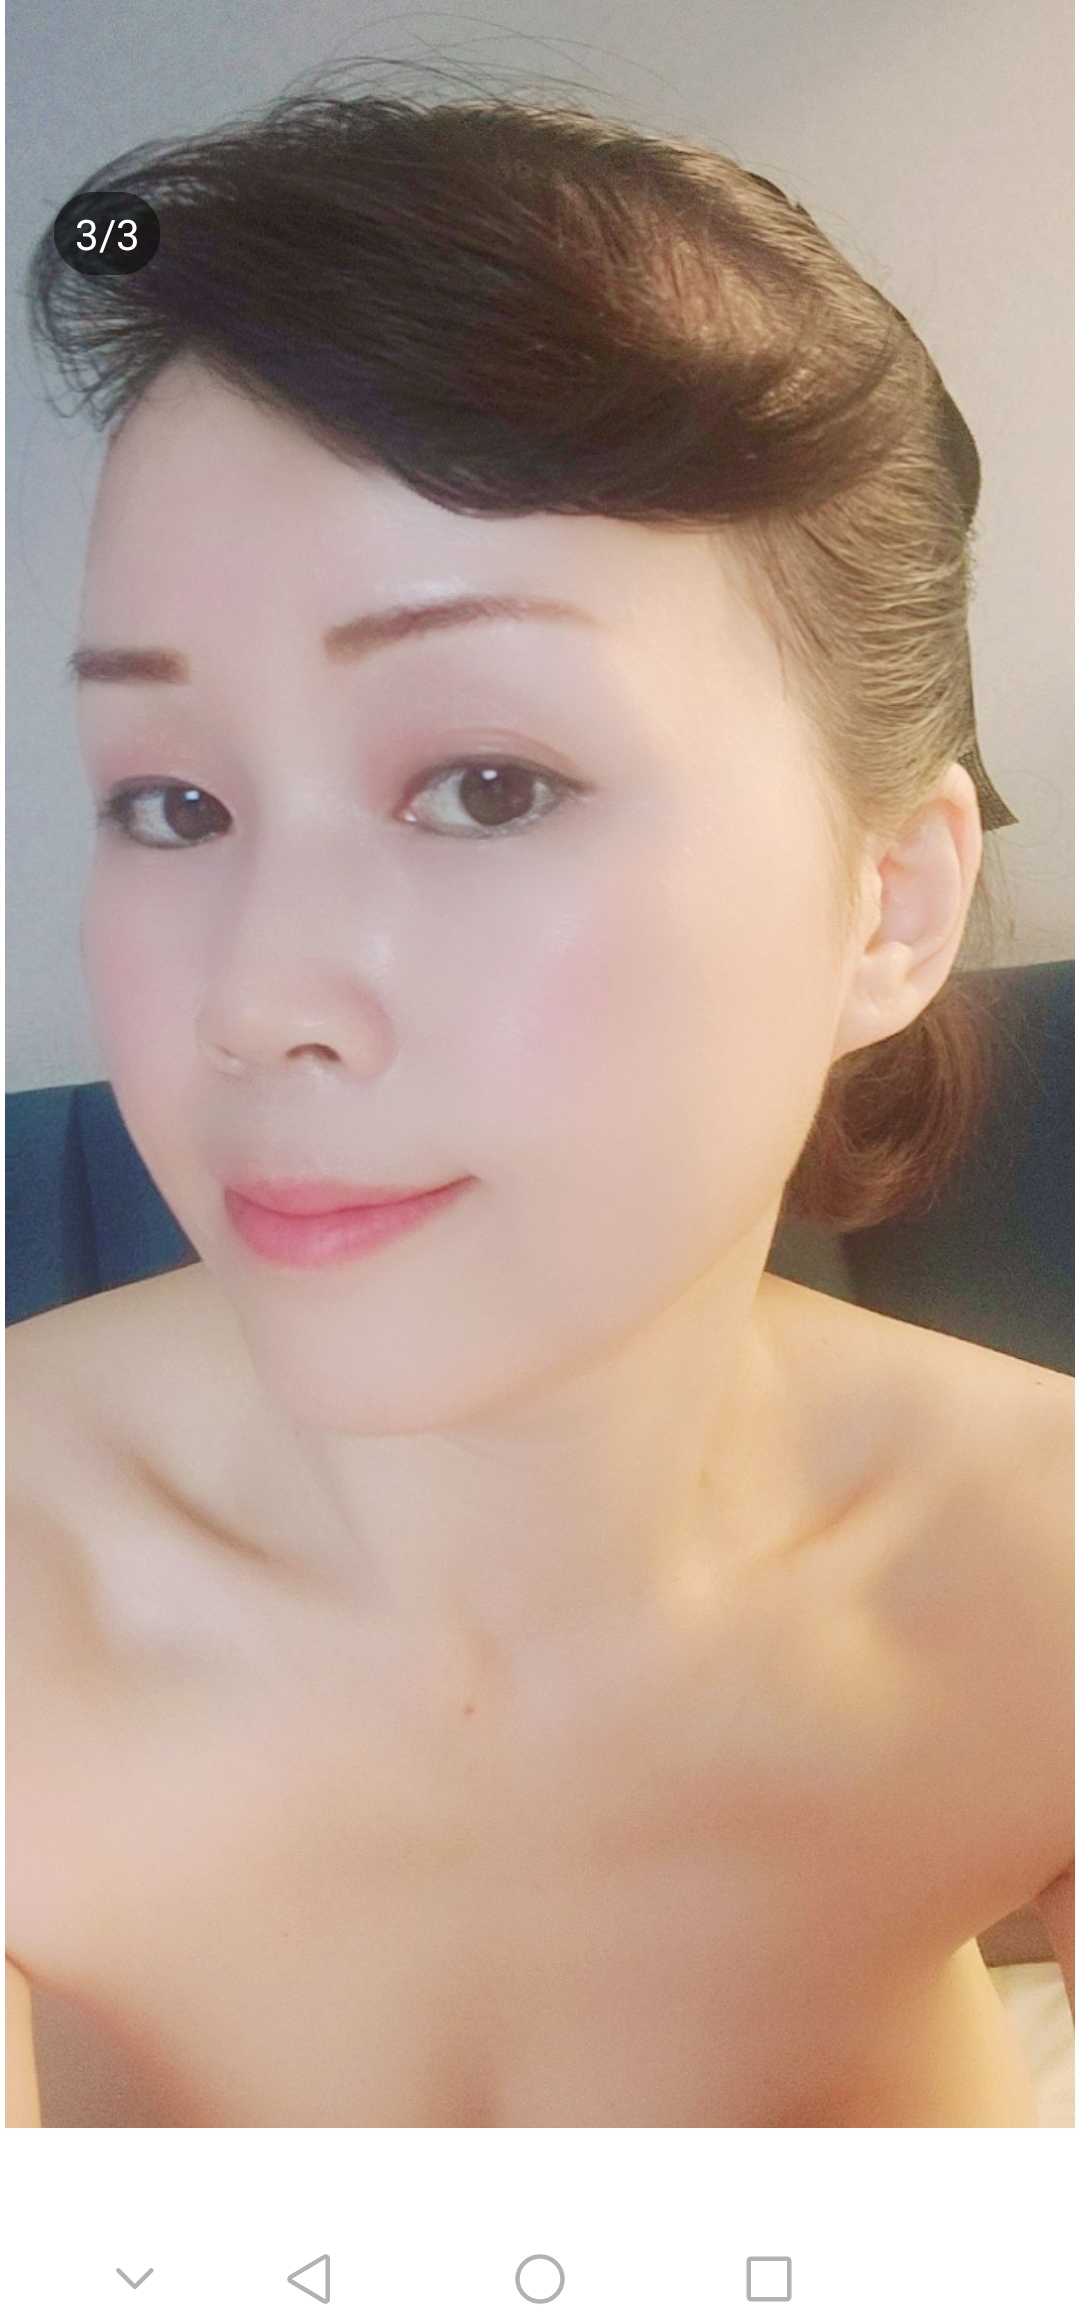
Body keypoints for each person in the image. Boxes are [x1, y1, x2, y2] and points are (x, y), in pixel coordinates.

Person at [7, 71, 1072, 2127]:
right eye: (173, 803)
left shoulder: (1036, 1573)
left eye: (487, 785)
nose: (258, 999)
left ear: (889, 902)